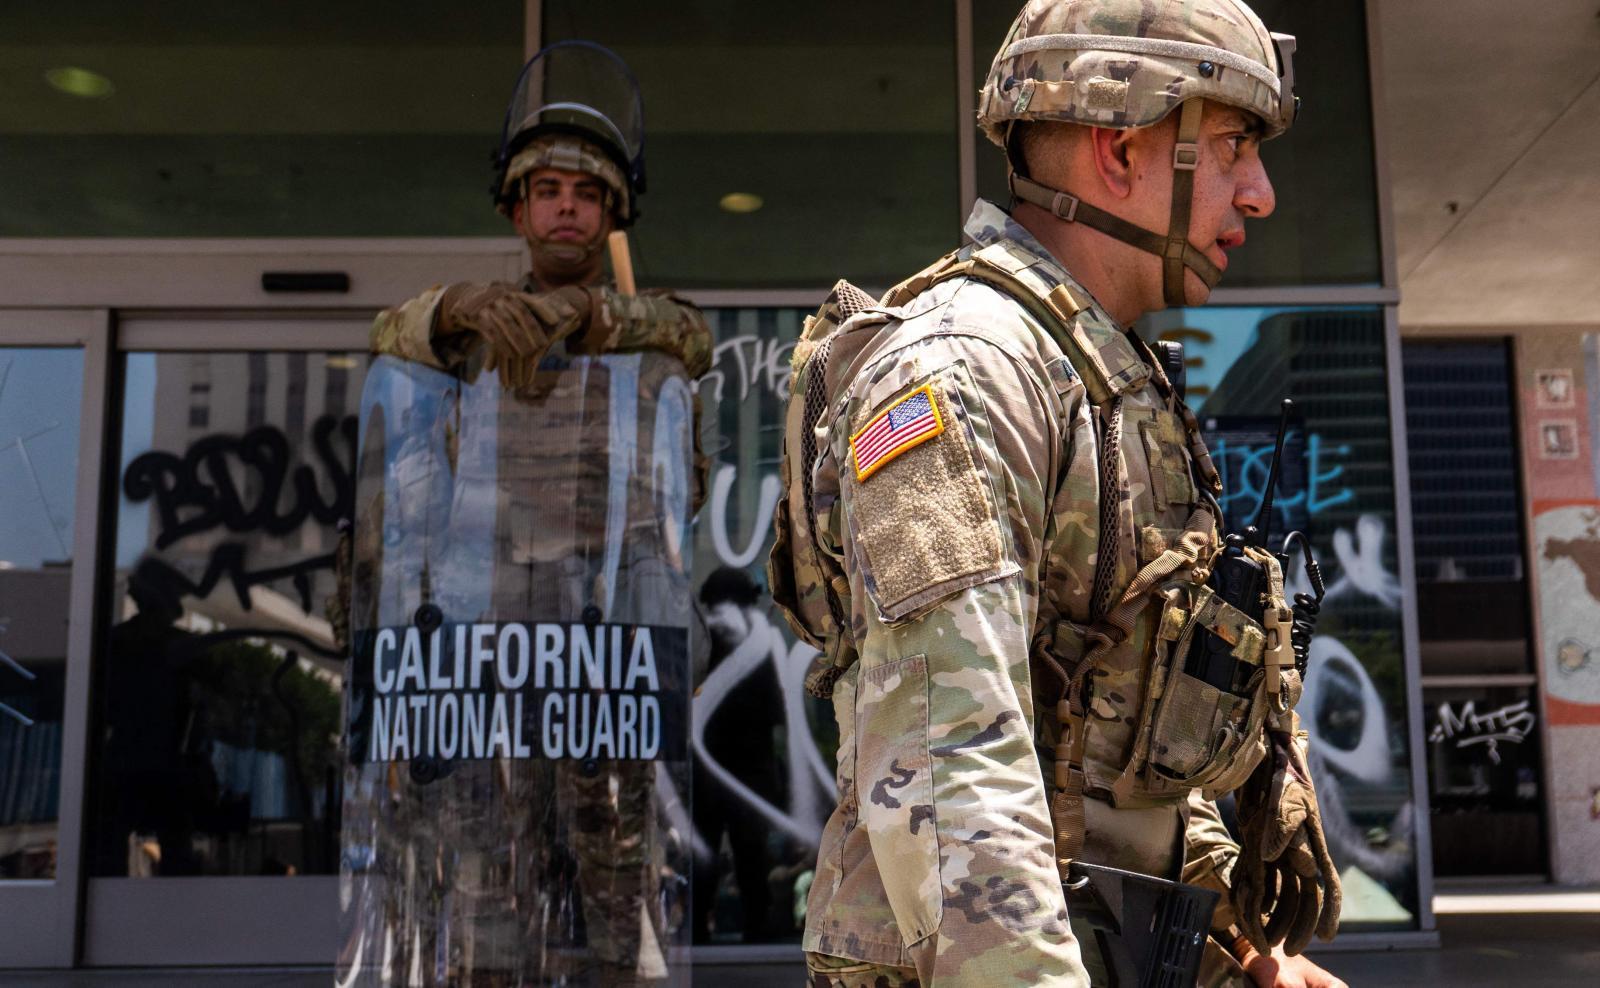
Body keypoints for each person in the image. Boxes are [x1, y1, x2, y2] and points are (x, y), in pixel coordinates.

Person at [768, 2, 1344, 985]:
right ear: (1119, 151)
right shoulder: (966, 372)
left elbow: (1129, 740)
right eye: (1234, 146)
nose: (1259, 195)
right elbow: (949, 788)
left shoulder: (1107, 378)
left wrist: (1240, 957)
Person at [341, 41, 713, 986]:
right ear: (517, 206)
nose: (566, 208)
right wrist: (456, 308)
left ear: (611, 214)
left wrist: (592, 323)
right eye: (546, 190)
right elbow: (387, 338)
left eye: (586, 196)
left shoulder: (644, 325)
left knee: (617, 887)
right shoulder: (470, 331)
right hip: (490, 637)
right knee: (485, 885)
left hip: (603, 641)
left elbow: (690, 336)